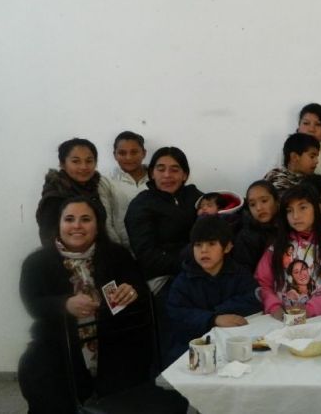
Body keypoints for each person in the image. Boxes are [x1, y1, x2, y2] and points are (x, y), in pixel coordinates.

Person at [20, 197, 151, 414]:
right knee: (40, 375)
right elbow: (33, 305)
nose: (77, 226)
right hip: (59, 346)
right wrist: (64, 304)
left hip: (115, 344)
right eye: (69, 219)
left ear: (97, 225)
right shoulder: (37, 262)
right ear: (59, 224)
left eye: (86, 219)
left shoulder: (118, 255)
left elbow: (140, 291)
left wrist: (132, 291)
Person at [124, 146, 202, 366]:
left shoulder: (195, 197)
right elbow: (148, 257)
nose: (167, 175)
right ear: (152, 173)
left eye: (175, 169)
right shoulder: (142, 204)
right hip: (164, 278)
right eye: (161, 169)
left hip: (198, 270)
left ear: (185, 174)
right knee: (181, 319)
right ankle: (173, 378)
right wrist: (191, 260)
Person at [166, 216, 260, 359]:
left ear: (227, 247)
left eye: (211, 243)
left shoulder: (239, 273)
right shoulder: (183, 281)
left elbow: (253, 299)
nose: (204, 250)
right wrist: (213, 319)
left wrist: (218, 313)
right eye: (198, 245)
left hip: (233, 341)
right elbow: (177, 313)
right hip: (193, 347)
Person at [255, 184, 321, 320]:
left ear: (318, 208)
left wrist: (309, 309)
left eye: (303, 207)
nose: (295, 216)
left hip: (320, 318)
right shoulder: (277, 246)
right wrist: (274, 307)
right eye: (289, 210)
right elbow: (263, 283)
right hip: (280, 317)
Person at [36, 138, 119, 247]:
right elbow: (49, 242)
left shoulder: (99, 188)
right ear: (62, 164)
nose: (84, 167)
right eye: (76, 161)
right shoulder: (55, 198)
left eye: (89, 161)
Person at [108, 131, 149, 246]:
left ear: (144, 153)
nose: (128, 157)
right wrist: (117, 248)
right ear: (114, 154)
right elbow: (106, 221)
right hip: (120, 248)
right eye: (122, 153)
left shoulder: (158, 178)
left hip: (154, 248)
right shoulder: (107, 181)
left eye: (134, 152)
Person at [232, 180, 279, 272]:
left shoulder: (289, 225)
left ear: (276, 201)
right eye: (252, 204)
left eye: (264, 201)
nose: (259, 208)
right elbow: (243, 274)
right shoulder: (246, 237)